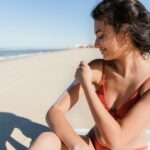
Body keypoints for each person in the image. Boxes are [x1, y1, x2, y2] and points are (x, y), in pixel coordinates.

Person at [29, 0, 150, 149]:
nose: (95, 43)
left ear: (125, 32)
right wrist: (77, 145)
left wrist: (86, 86)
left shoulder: (147, 85)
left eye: (100, 35)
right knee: (46, 140)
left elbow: (116, 141)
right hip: (91, 145)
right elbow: (54, 112)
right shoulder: (98, 68)